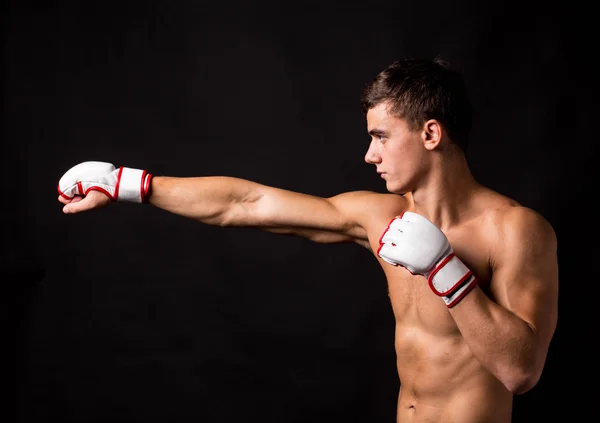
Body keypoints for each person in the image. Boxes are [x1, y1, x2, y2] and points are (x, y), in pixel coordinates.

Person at [56, 57, 559, 423]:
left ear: (431, 134)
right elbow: (246, 203)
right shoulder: (378, 215)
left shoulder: (514, 229)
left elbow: (521, 371)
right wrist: (126, 183)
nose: (369, 155)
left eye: (381, 136)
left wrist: (447, 271)